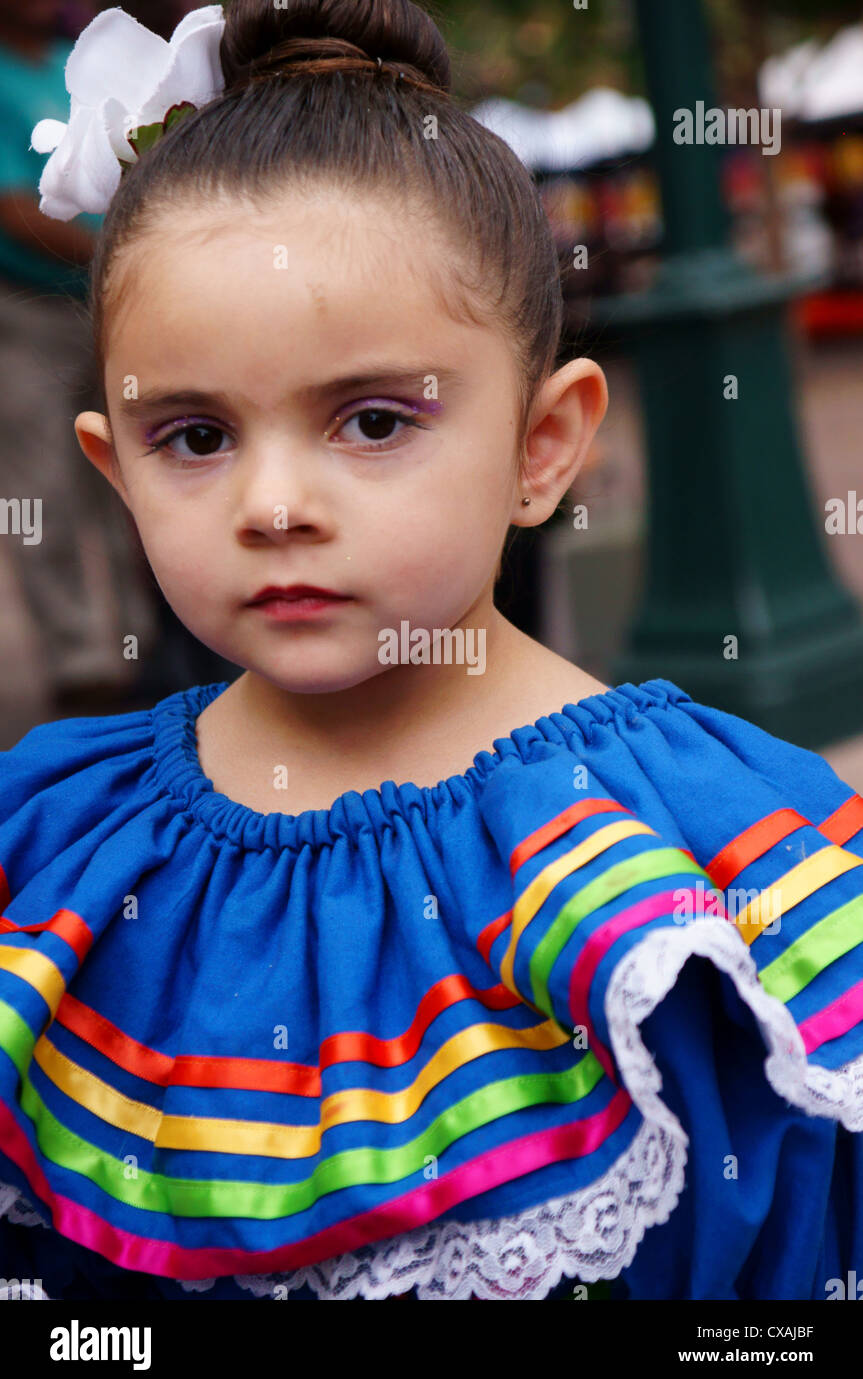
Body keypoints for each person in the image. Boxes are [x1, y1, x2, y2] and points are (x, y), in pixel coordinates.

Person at [0, 0, 862, 1303]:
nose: (271, 503)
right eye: (194, 435)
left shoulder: (703, 856)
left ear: (540, 446)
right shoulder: (53, 839)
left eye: (371, 419)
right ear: (111, 473)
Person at [0, 0, 162, 716]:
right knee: (43, 489)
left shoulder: (70, 69)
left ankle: (138, 645)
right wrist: (118, 254)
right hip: (27, 313)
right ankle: (80, 666)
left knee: (123, 471)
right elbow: (14, 205)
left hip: (99, 310)